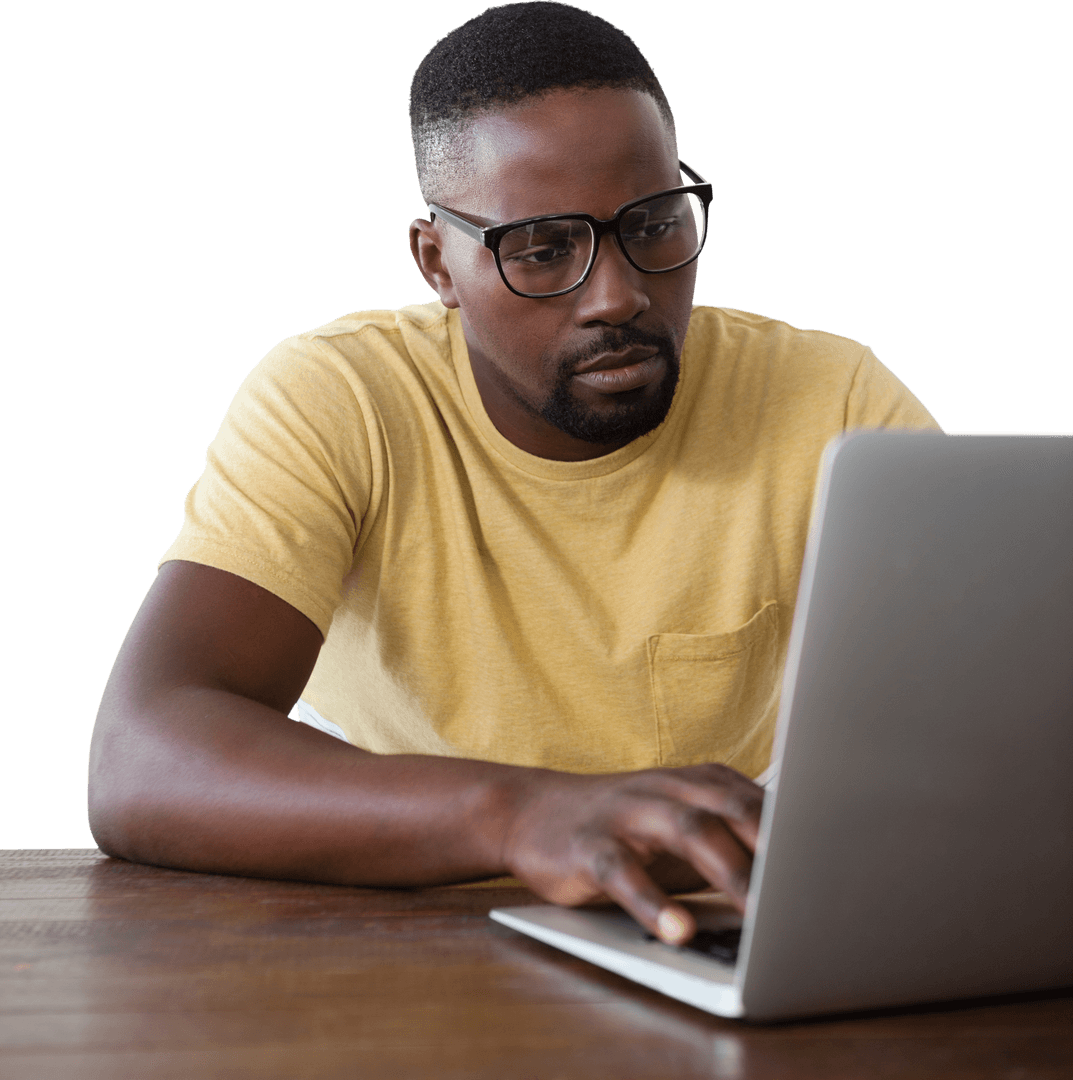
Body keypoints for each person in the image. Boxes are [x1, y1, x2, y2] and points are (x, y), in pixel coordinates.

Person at [87, 1, 939, 947]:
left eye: (653, 226)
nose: (617, 294)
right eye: (542, 249)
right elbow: (139, 761)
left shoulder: (834, 400)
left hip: (703, 929)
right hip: (398, 939)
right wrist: (517, 815)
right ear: (436, 263)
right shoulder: (339, 397)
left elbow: (990, 702)